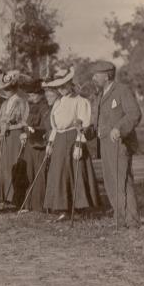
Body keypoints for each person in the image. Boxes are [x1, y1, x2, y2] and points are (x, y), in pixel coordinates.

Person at [90, 60, 143, 227]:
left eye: (96, 75)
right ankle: (120, 219)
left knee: (122, 180)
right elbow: (96, 121)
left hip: (120, 143)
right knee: (111, 182)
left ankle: (132, 221)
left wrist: (119, 128)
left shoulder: (122, 90)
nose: (93, 78)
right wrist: (86, 129)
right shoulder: (99, 95)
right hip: (105, 144)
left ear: (106, 76)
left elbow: (134, 113)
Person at [43, 68, 100, 220]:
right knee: (59, 173)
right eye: (59, 87)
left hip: (73, 139)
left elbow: (84, 125)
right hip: (60, 140)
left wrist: (79, 145)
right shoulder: (58, 102)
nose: (61, 89)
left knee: (76, 171)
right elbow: (55, 126)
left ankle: (81, 208)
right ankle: (62, 208)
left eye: (64, 86)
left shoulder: (81, 101)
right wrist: (50, 143)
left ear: (70, 84)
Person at [0, 70, 29, 206]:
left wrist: (11, 125)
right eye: (5, 89)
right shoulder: (5, 103)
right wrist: (1, 126)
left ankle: (15, 197)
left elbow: (24, 120)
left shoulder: (21, 101)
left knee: (15, 163)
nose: (7, 91)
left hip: (16, 135)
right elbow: (1, 118)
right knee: (6, 165)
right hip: (6, 135)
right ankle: (6, 196)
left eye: (9, 88)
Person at [17, 78, 52, 212]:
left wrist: (31, 132)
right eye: (30, 95)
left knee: (40, 174)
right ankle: (29, 205)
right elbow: (27, 124)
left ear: (40, 94)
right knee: (29, 174)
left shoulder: (45, 107)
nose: (31, 97)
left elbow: (45, 128)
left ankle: (40, 205)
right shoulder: (31, 106)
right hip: (30, 145)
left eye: (33, 95)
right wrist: (24, 132)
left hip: (40, 145)